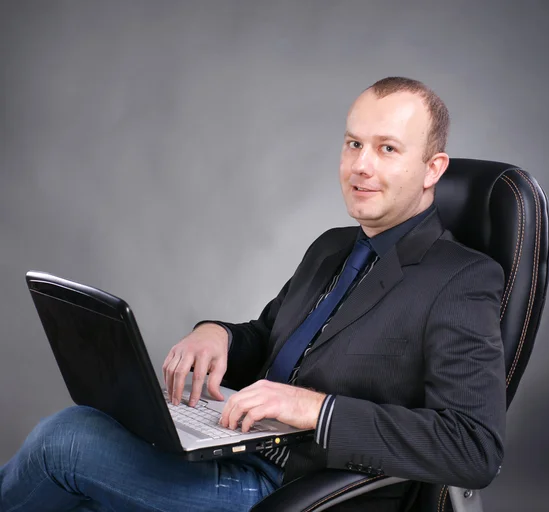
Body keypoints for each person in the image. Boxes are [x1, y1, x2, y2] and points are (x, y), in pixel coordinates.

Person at [0, 77, 506, 512]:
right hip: (236, 446)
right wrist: (216, 334)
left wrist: (316, 409)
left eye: (387, 149)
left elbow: (474, 448)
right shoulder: (331, 248)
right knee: (89, 442)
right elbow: (271, 338)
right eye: (353, 144)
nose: (360, 166)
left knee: (64, 443)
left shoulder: (461, 279)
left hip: (289, 486)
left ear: (434, 168)